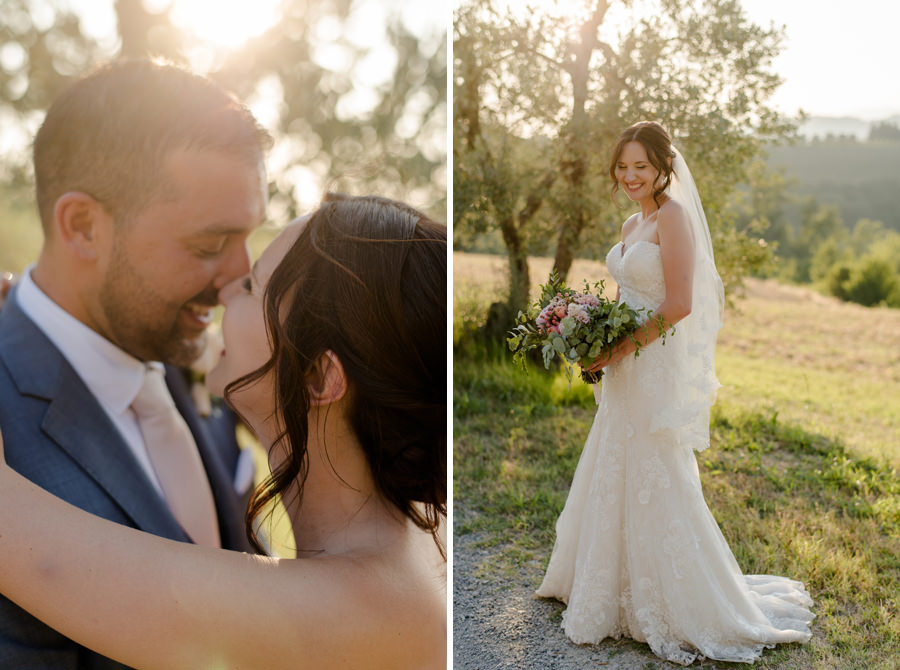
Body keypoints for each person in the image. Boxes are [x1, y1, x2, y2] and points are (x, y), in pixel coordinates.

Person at [0, 195, 448, 669]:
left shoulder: (365, 612)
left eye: (253, 287)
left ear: (317, 378)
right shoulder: (401, 510)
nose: (227, 289)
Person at [0, 59, 270, 667]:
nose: (238, 279)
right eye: (209, 245)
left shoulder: (187, 356)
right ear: (83, 226)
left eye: (248, 238)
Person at [535, 121, 814, 665]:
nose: (631, 175)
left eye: (641, 165)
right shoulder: (629, 222)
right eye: (623, 167)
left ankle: (675, 599)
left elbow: (680, 303)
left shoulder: (675, 217)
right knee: (615, 461)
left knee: (655, 470)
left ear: (664, 166)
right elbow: (624, 297)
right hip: (622, 364)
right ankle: (611, 588)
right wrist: (591, 335)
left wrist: (617, 350)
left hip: (652, 362)